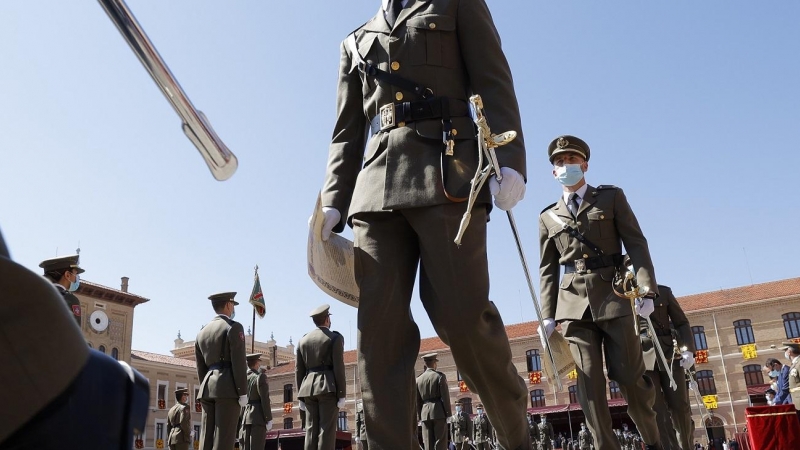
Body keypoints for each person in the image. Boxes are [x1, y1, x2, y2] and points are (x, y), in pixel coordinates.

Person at [318, 1, 529, 448]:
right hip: (375, 192)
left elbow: (493, 78)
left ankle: (516, 435)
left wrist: (509, 161)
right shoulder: (354, 40)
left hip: (447, 175)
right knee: (379, 337)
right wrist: (332, 201)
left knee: (463, 318)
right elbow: (346, 132)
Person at [538, 135, 661, 450]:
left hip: (615, 298)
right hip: (573, 307)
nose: (566, 166)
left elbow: (636, 242)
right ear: (553, 172)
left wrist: (647, 289)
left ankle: (653, 440)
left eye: (571, 161)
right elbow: (547, 269)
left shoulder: (610, 198)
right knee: (589, 383)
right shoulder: (547, 216)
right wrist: (547, 315)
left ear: (585, 165)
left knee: (630, 379)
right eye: (559, 162)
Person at [638, 284, 695, 450]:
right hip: (642, 357)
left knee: (680, 406)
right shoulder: (621, 295)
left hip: (669, 354)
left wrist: (689, 350)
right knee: (657, 410)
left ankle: (686, 446)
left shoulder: (662, 292)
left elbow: (681, 322)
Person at [195, 292, 248, 450]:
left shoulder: (201, 333)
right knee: (224, 438)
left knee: (206, 438)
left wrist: (207, 386)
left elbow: (201, 368)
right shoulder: (234, 327)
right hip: (227, 388)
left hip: (207, 388)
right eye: (233, 305)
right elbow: (239, 363)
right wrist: (242, 392)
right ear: (228, 305)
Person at [296, 304, 347, 450]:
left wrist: (300, 396)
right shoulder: (334, 338)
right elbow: (339, 367)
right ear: (327, 319)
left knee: (311, 429)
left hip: (307, 389)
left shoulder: (302, 341)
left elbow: (299, 370)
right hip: (327, 387)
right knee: (326, 430)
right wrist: (342, 394)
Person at [416, 353, 451, 450]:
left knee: (427, 441)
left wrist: (420, 415)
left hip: (424, 413)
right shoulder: (439, 376)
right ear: (435, 363)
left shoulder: (418, 379)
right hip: (438, 411)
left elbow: (418, 401)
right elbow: (445, 397)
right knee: (440, 440)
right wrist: (448, 413)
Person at [39, 254, 84, 327]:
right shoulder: (69, 299)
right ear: (67, 275)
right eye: (75, 274)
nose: (76, 278)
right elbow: (73, 335)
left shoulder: (36, 296)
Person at [241, 353, 273, 450]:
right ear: (257, 364)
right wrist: (268, 418)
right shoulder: (260, 377)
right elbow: (265, 399)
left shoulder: (242, 378)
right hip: (258, 417)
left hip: (245, 417)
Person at [782, 341, 800, 419]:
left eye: (785, 350)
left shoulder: (799, 363)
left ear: (789, 352)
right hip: (796, 402)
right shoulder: (794, 364)